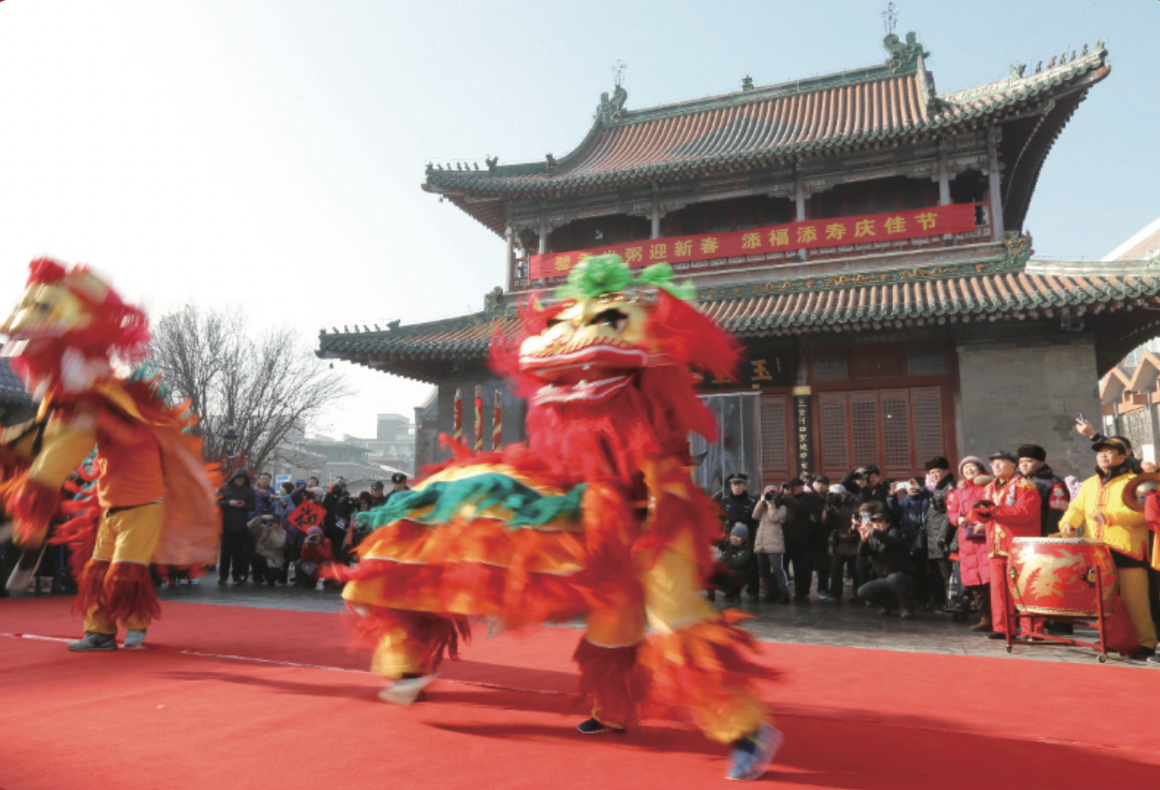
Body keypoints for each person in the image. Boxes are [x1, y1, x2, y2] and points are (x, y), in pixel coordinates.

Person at [334, 255, 781, 781]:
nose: (568, 347)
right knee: (470, 527)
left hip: (656, 528)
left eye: (604, 323)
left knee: (674, 622)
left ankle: (746, 730)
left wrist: (657, 529)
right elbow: (567, 466)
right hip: (597, 522)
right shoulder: (572, 416)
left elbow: (663, 480)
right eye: (560, 326)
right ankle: (603, 708)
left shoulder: (652, 417)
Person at [0, 258, 219, 651]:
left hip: (143, 506)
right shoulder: (99, 419)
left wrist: (92, 405)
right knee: (95, 572)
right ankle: (98, 632)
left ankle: (135, 627)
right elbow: (76, 434)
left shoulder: (136, 425)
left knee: (125, 570)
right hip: (111, 507)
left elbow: (122, 434)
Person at [1059, 438, 1157, 659]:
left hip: (1127, 549)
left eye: (1110, 452)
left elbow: (1144, 511)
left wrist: (1111, 516)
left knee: (1136, 600)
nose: (1103, 456)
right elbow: (1077, 508)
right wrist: (1069, 523)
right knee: (1105, 601)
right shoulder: (1089, 483)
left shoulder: (1135, 482)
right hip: (1096, 551)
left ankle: (1146, 643)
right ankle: (1112, 639)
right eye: (1100, 453)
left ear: (1123, 458)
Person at [971, 451, 1042, 639]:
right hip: (995, 546)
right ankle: (1002, 627)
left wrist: (994, 511)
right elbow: (980, 512)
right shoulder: (989, 488)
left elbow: (1025, 512)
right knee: (999, 590)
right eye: (993, 463)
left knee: (1025, 588)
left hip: (1020, 547)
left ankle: (1031, 630)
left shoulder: (1024, 486)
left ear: (1013, 466)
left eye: (1001, 463)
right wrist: (980, 514)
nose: (996, 466)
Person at [947, 456, 992, 632]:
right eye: (965, 468)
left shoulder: (989, 487)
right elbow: (951, 512)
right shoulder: (960, 491)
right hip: (967, 540)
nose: (968, 470)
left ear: (981, 469)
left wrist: (986, 519)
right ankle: (985, 617)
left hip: (986, 539)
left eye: (972, 467)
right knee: (975, 582)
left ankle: (1000, 617)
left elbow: (994, 506)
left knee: (990, 580)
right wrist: (957, 518)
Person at [855, 502, 915, 618]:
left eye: (881, 522)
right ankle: (887, 604)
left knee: (894, 578)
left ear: (887, 524)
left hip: (902, 577)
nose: (877, 525)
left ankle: (907, 608)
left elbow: (892, 542)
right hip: (884, 579)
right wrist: (864, 541)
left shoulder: (894, 533)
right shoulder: (874, 537)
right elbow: (862, 554)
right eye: (875, 523)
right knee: (862, 591)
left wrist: (873, 531)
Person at [714, 473, 758, 600]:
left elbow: (755, 521)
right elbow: (720, 520)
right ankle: (730, 590)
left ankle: (753, 591)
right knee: (729, 565)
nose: (736, 487)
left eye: (739, 484)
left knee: (751, 565)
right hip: (730, 539)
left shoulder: (751, 501)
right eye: (734, 485)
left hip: (748, 538)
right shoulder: (725, 501)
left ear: (744, 485)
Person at [889, 477, 932, 607]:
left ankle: (928, 598)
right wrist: (892, 495)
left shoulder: (926, 500)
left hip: (926, 539)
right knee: (912, 569)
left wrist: (922, 490)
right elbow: (893, 510)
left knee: (926, 570)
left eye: (915, 486)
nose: (912, 488)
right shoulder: (903, 503)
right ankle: (916, 596)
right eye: (909, 486)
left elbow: (934, 498)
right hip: (909, 539)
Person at [923, 457, 957, 609]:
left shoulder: (950, 487)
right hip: (934, 537)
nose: (934, 475)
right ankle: (941, 601)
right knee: (936, 573)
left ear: (946, 471)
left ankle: (952, 603)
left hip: (943, 538)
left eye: (937, 471)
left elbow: (949, 515)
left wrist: (942, 537)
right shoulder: (938, 487)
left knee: (947, 574)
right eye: (931, 473)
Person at [1015, 444, 1070, 537]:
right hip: (1019, 534)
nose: (1024, 464)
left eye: (1029, 461)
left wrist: (1049, 537)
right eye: (1021, 462)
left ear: (1041, 463)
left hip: (1041, 535)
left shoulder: (1054, 483)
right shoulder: (1015, 481)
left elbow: (1057, 513)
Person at [781, 478, 818, 601]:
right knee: (783, 567)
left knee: (801, 568)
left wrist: (789, 498)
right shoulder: (786, 498)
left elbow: (803, 509)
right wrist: (781, 494)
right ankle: (783, 591)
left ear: (802, 486)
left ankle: (802, 592)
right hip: (787, 539)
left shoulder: (808, 497)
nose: (794, 488)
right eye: (792, 486)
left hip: (803, 540)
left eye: (797, 486)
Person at [822, 485, 860, 603]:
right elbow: (825, 521)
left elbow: (855, 516)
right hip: (841, 541)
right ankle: (835, 593)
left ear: (844, 493)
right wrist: (828, 508)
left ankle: (858, 594)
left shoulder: (855, 500)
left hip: (855, 541)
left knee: (855, 569)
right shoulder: (832, 503)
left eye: (837, 495)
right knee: (835, 567)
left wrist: (841, 508)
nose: (835, 497)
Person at [218, 469, 256, 585]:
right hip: (226, 524)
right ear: (233, 479)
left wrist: (244, 505)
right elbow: (217, 502)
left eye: (242, 480)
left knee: (238, 553)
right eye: (238, 480)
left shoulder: (249, 490)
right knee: (225, 553)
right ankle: (223, 576)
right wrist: (229, 503)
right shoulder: (225, 488)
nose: (240, 482)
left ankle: (236, 575)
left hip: (241, 524)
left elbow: (252, 506)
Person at [752, 486, 789, 603]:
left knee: (778, 569)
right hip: (761, 543)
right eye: (768, 493)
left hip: (774, 543)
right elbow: (754, 516)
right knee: (763, 570)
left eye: (773, 493)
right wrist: (762, 501)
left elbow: (775, 517)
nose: (770, 496)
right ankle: (771, 592)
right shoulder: (762, 507)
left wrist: (771, 503)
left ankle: (784, 593)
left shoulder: (782, 507)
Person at [247, 513, 287, 585]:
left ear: (278, 524)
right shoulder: (262, 530)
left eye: (274, 523)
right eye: (271, 523)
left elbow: (279, 545)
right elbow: (250, 525)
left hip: (274, 561)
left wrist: (272, 531)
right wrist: (261, 517)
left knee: (272, 576)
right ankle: (257, 578)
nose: (272, 525)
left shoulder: (282, 533)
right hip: (262, 557)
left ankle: (269, 577)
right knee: (254, 556)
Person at [719, 524, 754, 605]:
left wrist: (725, 555)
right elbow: (722, 561)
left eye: (738, 536)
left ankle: (736, 594)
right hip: (731, 570)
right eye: (733, 535)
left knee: (733, 573)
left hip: (742, 574)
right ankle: (722, 592)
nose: (734, 538)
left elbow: (736, 563)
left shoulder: (747, 550)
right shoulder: (729, 546)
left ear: (743, 539)